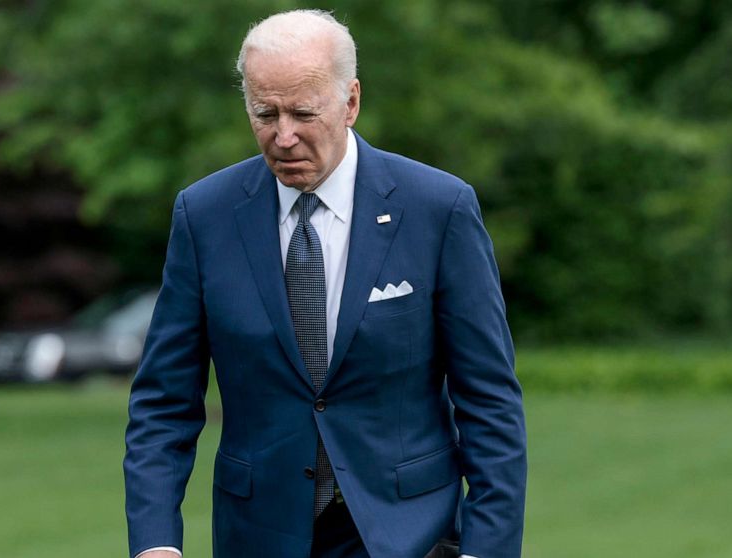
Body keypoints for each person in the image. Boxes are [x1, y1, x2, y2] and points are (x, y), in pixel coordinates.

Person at [124, 9, 526, 558]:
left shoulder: (438, 208)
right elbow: (163, 403)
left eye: (303, 113)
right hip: (259, 536)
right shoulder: (204, 215)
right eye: (265, 113)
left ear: (351, 102)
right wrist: (155, 545)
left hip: (409, 535)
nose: (283, 136)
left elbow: (489, 400)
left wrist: (488, 548)